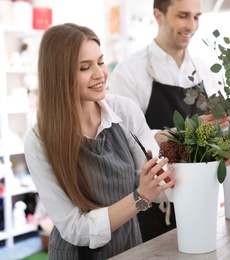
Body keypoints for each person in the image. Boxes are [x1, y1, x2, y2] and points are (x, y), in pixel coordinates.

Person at [24, 23, 175, 259]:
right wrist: (140, 198)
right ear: (58, 75)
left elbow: (160, 178)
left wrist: (204, 161)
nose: (100, 74)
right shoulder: (39, 141)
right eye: (85, 67)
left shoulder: (123, 111)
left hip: (130, 247)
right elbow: (75, 229)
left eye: (100, 62)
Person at [108, 0, 230, 242]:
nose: (192, 25)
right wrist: (184, 134)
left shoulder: (205, 71)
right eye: (183, 16)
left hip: (201, 201)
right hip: (151, 208)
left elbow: (220, 133)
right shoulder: (130, 72)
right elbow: (127, 144)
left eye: (197, 17)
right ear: (158, 16)